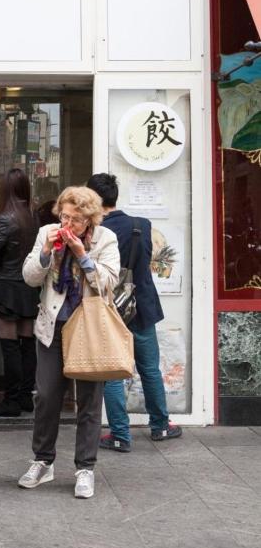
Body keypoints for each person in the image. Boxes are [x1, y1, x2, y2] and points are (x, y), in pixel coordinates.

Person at [20, 186, 120, 499]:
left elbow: (108, 282)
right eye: (64, 216)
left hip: (89, 330)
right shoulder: (46, 233)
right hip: (53, 326)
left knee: (89, 400)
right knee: (47, 395)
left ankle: (85, 468)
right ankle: (43, 461)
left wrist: (82, 255)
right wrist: (46, 252)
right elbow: (30, 277)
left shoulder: (106, 239)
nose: (67, 223)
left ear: (89, 219)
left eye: (75, 219)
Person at [86, 172, 183, 449]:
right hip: (141, 306)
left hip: (110, 308)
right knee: (149, 368)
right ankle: (160, 426)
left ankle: (119, 434)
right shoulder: (142, 225)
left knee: (113, 374)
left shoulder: (96, 232)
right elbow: (145, 264)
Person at [0, 168, 41, 418]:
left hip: (7, 287)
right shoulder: (32, 216)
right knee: (27, 343)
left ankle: (11, 401)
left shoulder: (6, 219)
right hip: (29, 286)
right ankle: (25, 397)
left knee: (9, 344)